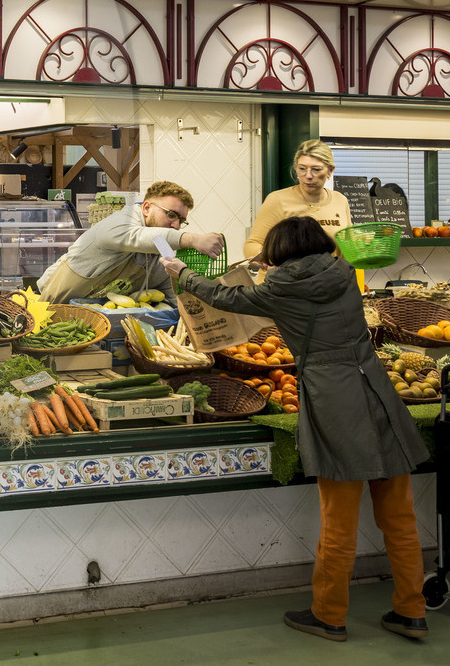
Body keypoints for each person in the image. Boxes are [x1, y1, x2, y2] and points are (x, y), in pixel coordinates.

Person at [164, 217, 428, 643]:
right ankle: (412, 612)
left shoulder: (281, 286)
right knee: (399, 516)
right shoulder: (341, 270)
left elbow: (227, 296)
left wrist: (183, 274)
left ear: (279, 250)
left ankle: (329, 615)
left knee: (338, 519)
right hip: (377, 389)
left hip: (335, 399)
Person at [37, 181, 224, 304]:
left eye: (181, 220)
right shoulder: (119, 222)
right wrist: (192, 239)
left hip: (97, 323)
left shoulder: (160, 243)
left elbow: (167, 284)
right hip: (51, 305)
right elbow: (135, 237)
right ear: (147, 208)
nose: (176, 225)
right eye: (171, 215)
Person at [245, 139, 352, 262]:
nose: (308, 176)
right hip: (284, 280)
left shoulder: (340, 200)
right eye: (302, 169)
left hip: (326, 279)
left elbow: (348, 247)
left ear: (330, 171)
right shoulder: (277, 200)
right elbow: (252, 245)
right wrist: (267, 257)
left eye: (316, 169)